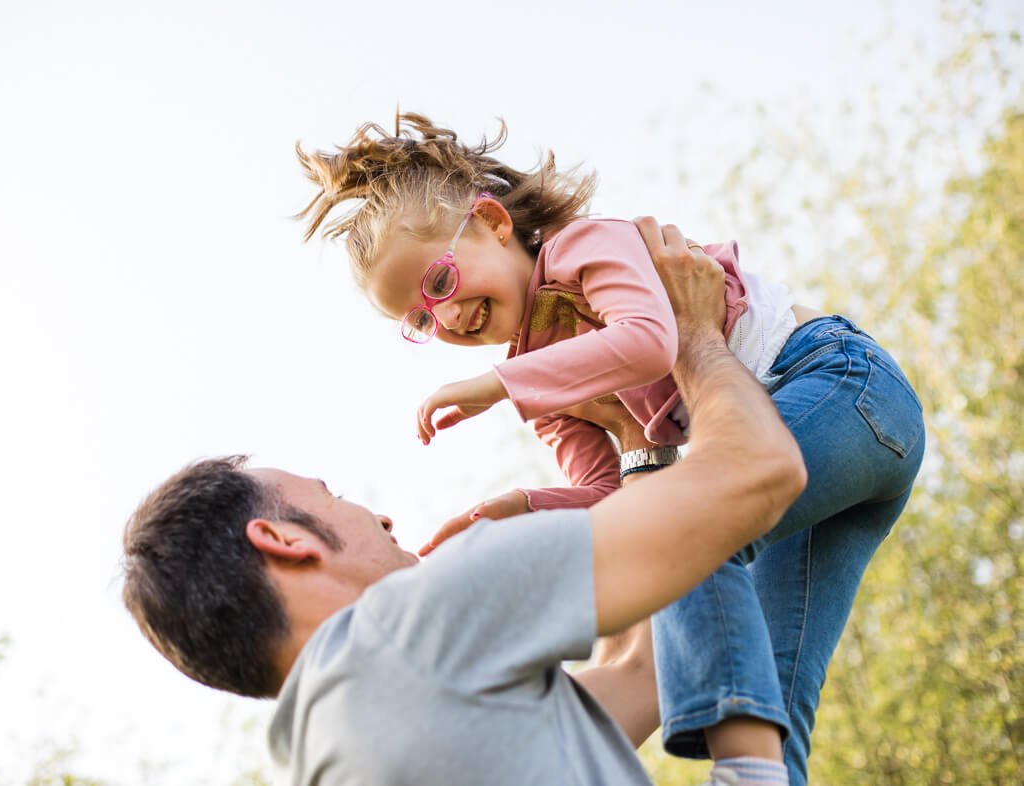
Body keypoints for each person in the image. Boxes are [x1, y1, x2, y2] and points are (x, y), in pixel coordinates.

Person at [295, 113, 926, 785]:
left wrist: (499, 384)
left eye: (441, 283)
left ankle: (748, 771)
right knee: (774, 677)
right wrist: (522, 509)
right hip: (807, 465)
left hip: (840, 388)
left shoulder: (582, 250)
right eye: (419, 320)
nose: (446, 318)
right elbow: (616, 497)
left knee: (687, 535)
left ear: (494, 224)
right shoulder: (545, 389)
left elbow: (651, 339)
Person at [122, 237, 807, 785]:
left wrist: (633, 440)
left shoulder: (328, 751)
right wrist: (691, 337)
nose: (381, 519)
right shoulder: (418, 621)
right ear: (282, 538)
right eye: (327, 495)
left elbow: (640, 671)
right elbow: (761, 471)